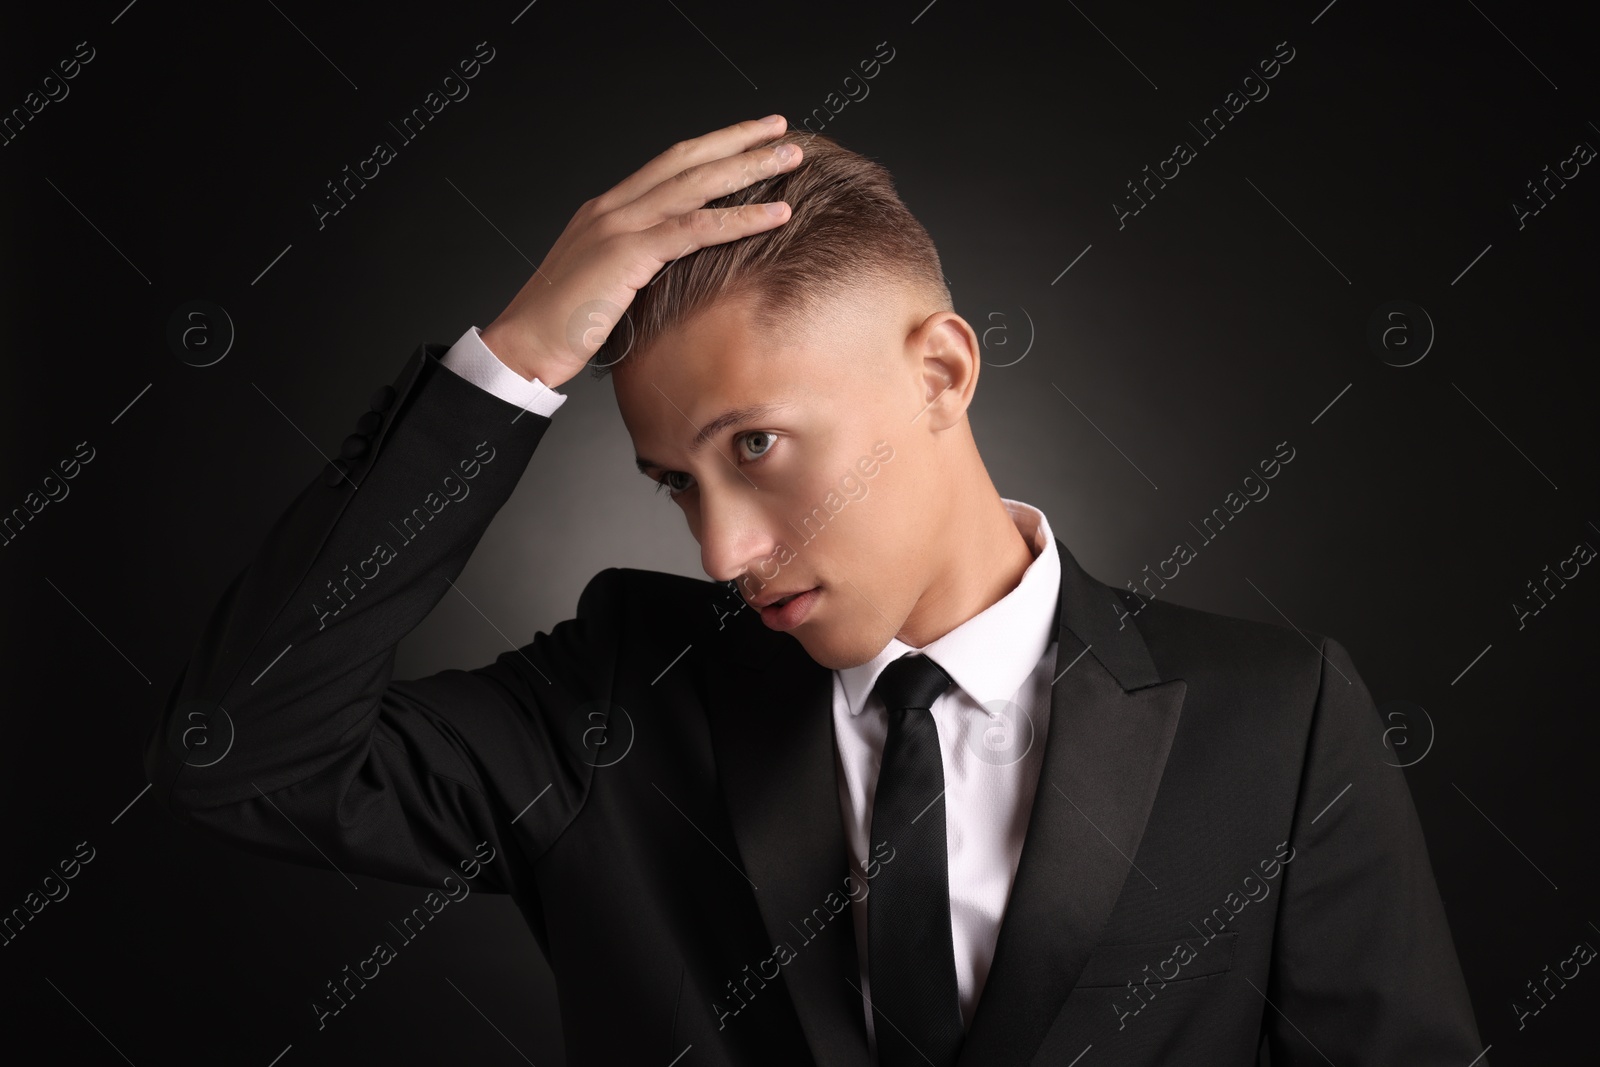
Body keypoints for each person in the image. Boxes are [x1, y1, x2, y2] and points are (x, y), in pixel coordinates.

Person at [146, 116, 1489, 1065]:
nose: (722, 552)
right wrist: (514, 361)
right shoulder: (619, 697)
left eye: (758, 448)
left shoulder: (1277, 719)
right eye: (677, 480)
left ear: (943, 374)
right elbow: (246, 755)